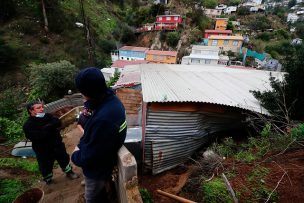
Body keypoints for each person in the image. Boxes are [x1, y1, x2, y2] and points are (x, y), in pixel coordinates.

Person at [72, 67, 127, 203]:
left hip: (97, 170)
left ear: (85, 92)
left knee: (91, 198)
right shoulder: (112, 101)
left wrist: (75, 156)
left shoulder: (103, 119)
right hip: (105, 161)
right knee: (101, 192)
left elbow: (92, 155)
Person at [23, 100, 79, 184]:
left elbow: (57, 122)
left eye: (42, 107)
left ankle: (69, 172)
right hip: (43, 149)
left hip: (56, 144)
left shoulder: (47, 116)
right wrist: (48, 128)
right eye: (38, 108)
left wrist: (47, 127)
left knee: (63, 158)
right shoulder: (28, 125)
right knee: (45, 165)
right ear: (31, 111)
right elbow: (37, 137)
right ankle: (48, 179)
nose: (42, 109)